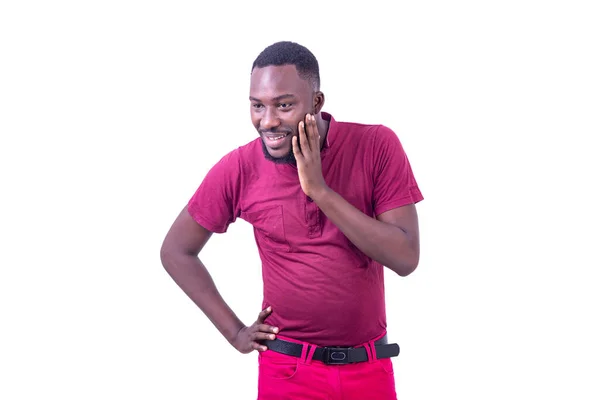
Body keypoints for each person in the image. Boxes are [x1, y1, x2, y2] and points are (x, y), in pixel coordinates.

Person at [160, 41, 424, 399]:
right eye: (257, 106)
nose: (268, 121)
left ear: (316, 102)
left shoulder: (376, 145)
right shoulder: (240, 167)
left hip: (369, 368)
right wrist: (235, 333)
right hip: (287, 373)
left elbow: (405, 257)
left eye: (284, 105)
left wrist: (320, 190)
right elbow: (176, 251)